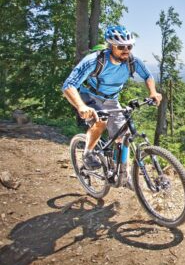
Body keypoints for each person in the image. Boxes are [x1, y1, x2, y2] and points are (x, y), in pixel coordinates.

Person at [62, 25, 162, 171]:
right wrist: (81, 106)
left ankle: (121, 172)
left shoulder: (132, 61)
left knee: (124, 134)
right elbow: (68, 85)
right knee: (101, 121)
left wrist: (153, 92)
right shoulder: (94, 60)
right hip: (89, 96)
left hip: (111, 99)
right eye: (121, 47)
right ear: (111, 46)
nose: (126, 50)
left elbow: (148, 76)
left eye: (129, 46)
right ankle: (88, 154)